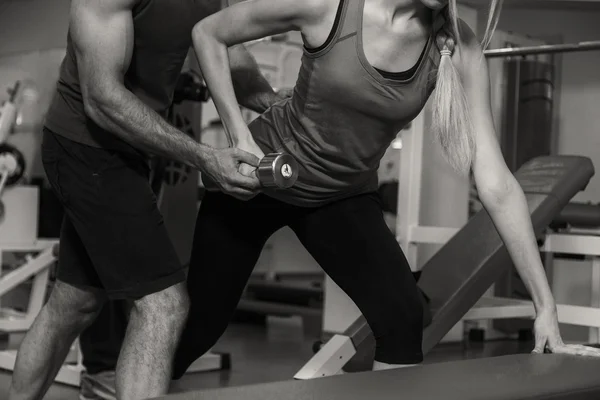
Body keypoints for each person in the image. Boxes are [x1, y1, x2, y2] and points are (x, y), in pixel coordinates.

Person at [172, 0, 600, 378]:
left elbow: (497, 182)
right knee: (198, 330)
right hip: (263, 177)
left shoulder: (457, 46)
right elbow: (209, 33)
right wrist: (238, 135)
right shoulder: (329, 6)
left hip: (341, 196)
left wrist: (545, 307)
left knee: (402, 315)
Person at [8, 0, 287, 398]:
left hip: (131, 151)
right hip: (86, 146)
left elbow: (228, 50)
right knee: (163, 306)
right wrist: (204, 156)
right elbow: (102, 98)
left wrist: (276, 103)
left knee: (75, 302)